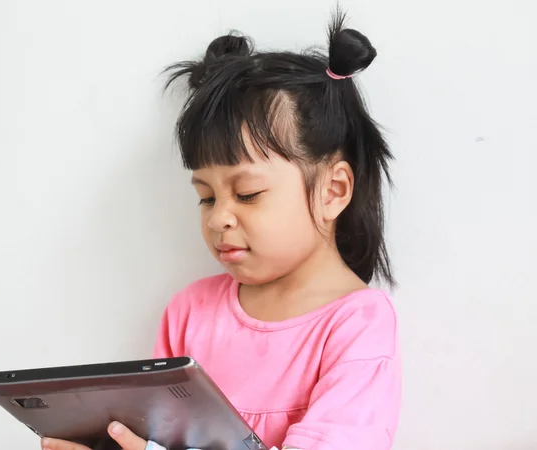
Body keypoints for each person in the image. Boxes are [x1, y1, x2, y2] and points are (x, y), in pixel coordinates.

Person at [41, 6, 401, 450]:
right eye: (206, 197)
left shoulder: (356, 324)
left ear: (332, 191)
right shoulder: (190, 312)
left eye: (247, 194)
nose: (218, 218)